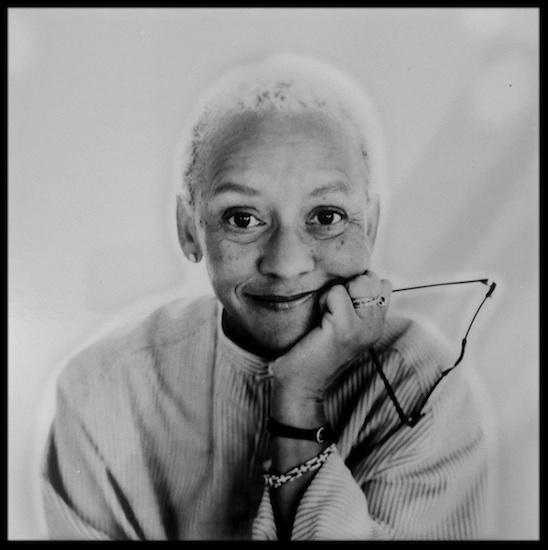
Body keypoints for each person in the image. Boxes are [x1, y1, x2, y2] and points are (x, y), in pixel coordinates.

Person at [40, 54, 491, 540]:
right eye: (242, 218)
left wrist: (297, 400)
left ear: (372, 227)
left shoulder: (426, 385)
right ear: (190, 230)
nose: (287, 263)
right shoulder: (102, 393)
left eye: (327, 216)